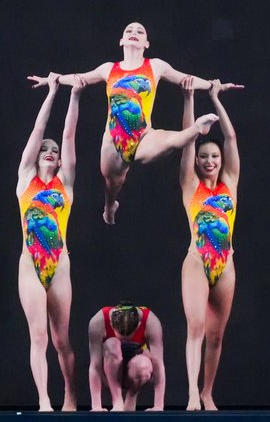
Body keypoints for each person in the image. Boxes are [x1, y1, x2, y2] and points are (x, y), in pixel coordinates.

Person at [28, 22, 235, 224]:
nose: (133, 32)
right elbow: (78, 77)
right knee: (112, 183)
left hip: (144, 136)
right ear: (121, 41)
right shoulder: (108, 69)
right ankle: (110, 207)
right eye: (129, 30)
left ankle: (197, 128)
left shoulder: (155, 66)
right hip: (113, 143)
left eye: (140, 31)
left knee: (170, 140)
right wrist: (52, 79)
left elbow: (185, 78)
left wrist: (213, 86)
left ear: (146, 43)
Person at [16, 72, 84, 411]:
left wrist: (74, 96)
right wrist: (52, 92)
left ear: (58, 161)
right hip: (30, 263)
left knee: (61, 340)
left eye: (53, 152)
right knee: (39, 336)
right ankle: (44, 400)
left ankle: (70, 395)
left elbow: (68, 135)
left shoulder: (65, 186)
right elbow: (37, 132)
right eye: (44, 150)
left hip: (59, 264)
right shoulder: (25, 180)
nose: (48, 151)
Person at [179, 78, 240, 411]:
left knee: (216, 335)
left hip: (226, 264)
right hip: (197, 261)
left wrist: (216, 99)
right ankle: (191, 392)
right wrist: (190, 101)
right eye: (204, 156)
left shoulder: (230, 182)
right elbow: (187, 144)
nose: (210, 160)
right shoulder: (190, 185)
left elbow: (230, 137)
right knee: (197, 326)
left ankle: (207, 392)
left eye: (214, 155)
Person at [88, 302, 165, 412]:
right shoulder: (98, 322)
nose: (125, 338)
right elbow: (95, 365)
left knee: (144, 366)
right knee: (112, 344)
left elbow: (158, 364)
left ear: (138, 324)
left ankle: (131, 395)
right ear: (111, 323)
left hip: (135, 372)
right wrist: (96, 406)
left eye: (129, 335)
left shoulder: (150, 321)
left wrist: (158, 405)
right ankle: (117, 400)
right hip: (108, 372)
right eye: (121, 335)